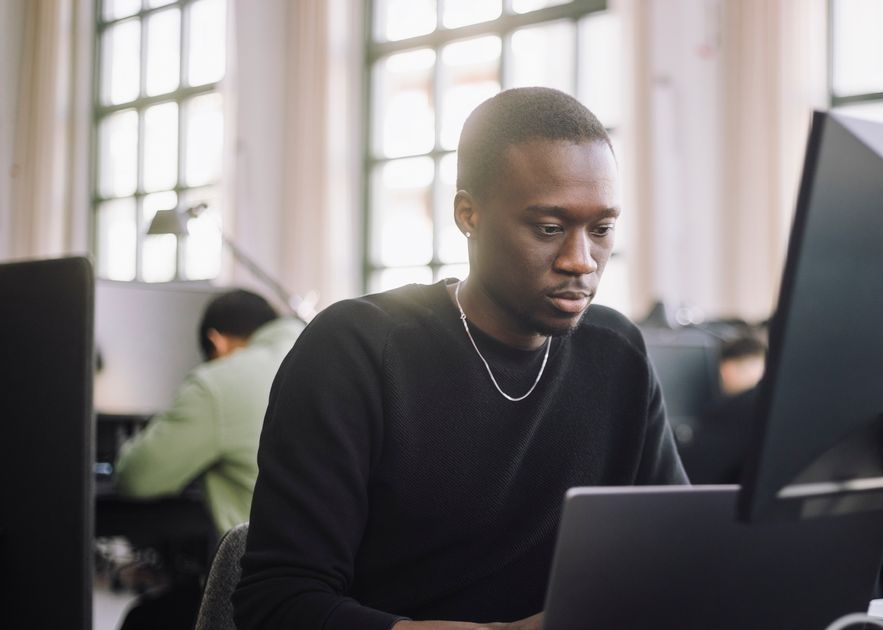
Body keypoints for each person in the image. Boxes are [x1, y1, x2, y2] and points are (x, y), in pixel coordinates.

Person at [234, 87, 688, 630]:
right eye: (549, 229)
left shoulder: (616, 353)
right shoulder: (357, 350)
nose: (580, 261)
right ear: (468, 214)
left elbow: (679, 552)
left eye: (602, 229)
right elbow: (278, 603)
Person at [112, 288, 304, 630]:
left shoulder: (219, 381)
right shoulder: (324, 355)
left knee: (142, 621)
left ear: (217, 343)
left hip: (263, 594)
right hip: (342, 591)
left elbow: (136, 477)